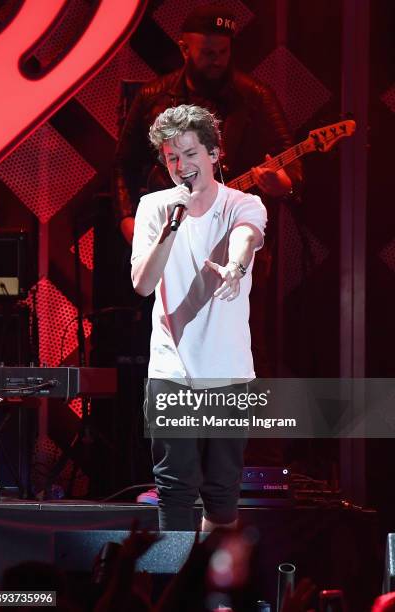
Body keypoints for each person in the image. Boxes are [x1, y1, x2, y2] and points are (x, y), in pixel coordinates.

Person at [114, 3, 302, 378]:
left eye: (224, 52)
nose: (217, 61)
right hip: (173, 237)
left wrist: (283, 184)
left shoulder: (256, 96)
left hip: (232, 237)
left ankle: (237, 427)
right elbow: (123, 162)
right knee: (170, 330)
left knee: (243, 334)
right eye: (208, 53)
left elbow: (293, 163)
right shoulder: (154, 96)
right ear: (185, 49)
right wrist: (126, 217)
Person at [131, 103, 267, 531]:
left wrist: (237, 265)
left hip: (228, 373)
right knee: (174, 488)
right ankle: (173, 589)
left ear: (213, 153)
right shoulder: (155, 208)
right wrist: (173, 226)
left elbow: (246, 235)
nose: (181, 165)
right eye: (172, 157)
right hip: (171, 370)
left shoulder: (243, 203)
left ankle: (210, 589)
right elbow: (142, 284)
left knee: (223, 495)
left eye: (190, 153)